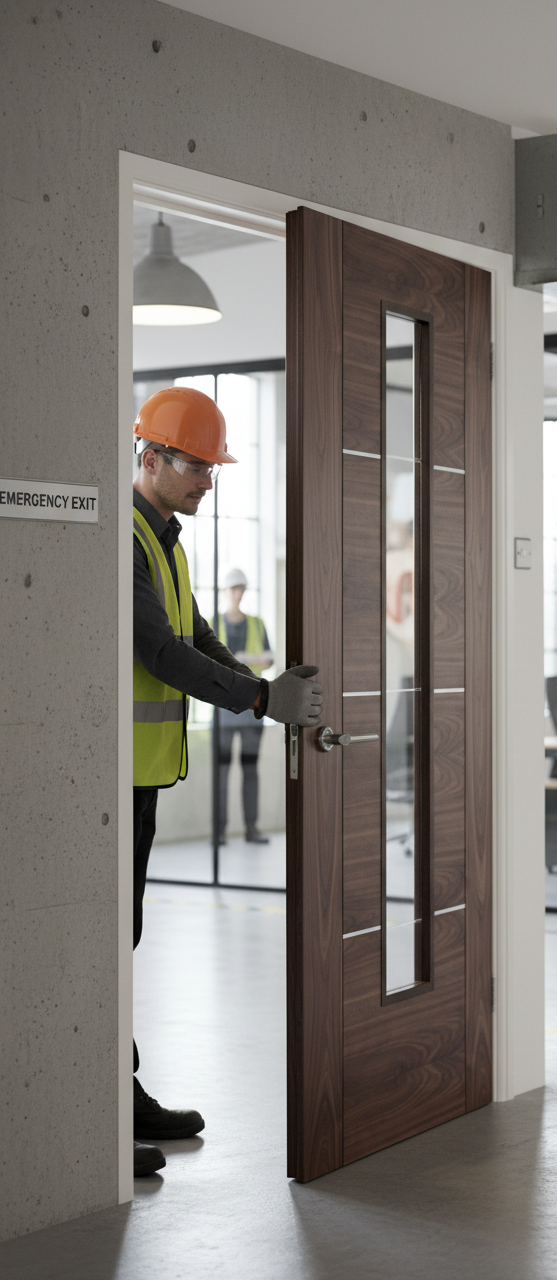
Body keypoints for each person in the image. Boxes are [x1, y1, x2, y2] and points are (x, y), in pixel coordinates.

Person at [131, 386, 322, 1178]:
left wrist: (265, 690)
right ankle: (105, 1113)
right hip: (106, 780)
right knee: (109, 940)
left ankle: (118, 1093)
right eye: (197, 466)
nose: (208, 481)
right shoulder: (126, 538)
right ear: (149, 458)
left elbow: (197, 636)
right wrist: (254, 697)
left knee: (121, 939)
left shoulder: (166, 539)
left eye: (212, 468)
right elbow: (159, 653)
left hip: (138, 779)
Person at [212, 568, 274, 845]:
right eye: (233, 588)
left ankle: (251, 828)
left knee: (250, 770)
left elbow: (270, 658)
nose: (237, 594)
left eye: (241, 589)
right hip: (222, 712)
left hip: (251, 710)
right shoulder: (211, 624)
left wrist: (253, 657)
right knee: (221, 773)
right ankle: (220, 831)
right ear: (225, 592)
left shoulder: (258, 624)